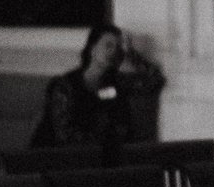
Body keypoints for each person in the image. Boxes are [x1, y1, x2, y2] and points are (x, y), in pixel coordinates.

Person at [30, 23, 160, 150]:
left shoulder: (116, 82)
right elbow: (64, 135)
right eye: (108, 45)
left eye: (118, 47)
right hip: (55, 156)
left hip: (98, 158)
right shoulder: (65, 85)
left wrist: (131, 54)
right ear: (93, 49)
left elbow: (154, 80)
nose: (113, 51)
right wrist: (104, 141)